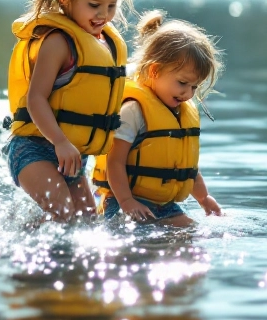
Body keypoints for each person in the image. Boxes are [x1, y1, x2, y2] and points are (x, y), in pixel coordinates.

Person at [4, 0, 129, 221]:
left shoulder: (104, 44)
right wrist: (60, 141)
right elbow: (36, 99)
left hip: (72, 157)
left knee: (87, 221)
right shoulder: (58, 42)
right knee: (63, 214)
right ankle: (20, 257)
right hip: (34, 148)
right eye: (94, 5)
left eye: (112, 6)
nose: (104, 15)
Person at [92, 11, 222, 228]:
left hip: (164, 205)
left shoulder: (180, 112)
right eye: (182, 83)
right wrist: (127, 201)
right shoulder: (133, 110)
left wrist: (203, 199)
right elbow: (115, 161)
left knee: (190, 234)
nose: (188, 94)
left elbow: (188, 168)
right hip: (121, 201)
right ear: (154, 71)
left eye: (194, 87)